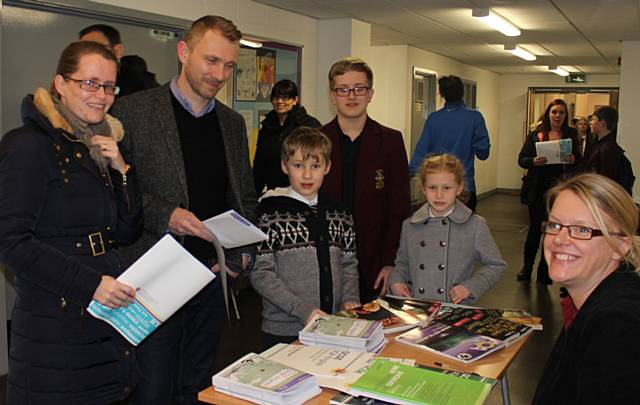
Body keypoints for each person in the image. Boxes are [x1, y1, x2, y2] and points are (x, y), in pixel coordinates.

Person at [110, 15, 257, 405]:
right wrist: (166, 215)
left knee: (197, 386)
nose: (219, 74)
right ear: (183, 51)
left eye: (228, 65)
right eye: (211, 61)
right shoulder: (132, 113)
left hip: (210, 276)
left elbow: (244, 197)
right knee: (153, 389)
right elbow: (115, 192)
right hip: (152, 277)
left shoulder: (231, 123)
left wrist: (242, 255)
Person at [0, 41, 141, 404]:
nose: (102, 96)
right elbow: (10, 241)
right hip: (56, 327)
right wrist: (91, 285)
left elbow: (126, 232)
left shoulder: (97, 147)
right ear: (60, 84)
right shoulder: (29, 145)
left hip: (102, 323)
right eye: (90, 83)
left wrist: (122, 172)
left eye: (109, 86)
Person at [532, 173, 640, 404]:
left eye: (582, 230)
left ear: (620, 246)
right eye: (555, 225)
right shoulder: (590, 303)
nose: (559, 239)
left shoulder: (618, 324)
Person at [250, 127, 360, 348]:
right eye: (298, 166)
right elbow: (261, 274)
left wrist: (351, 300)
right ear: (284, 166)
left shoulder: (340, 212)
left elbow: (348, 263)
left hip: (333, 326)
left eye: (316, 166)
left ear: (327, 167)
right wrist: (304, 312)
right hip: (283, 331)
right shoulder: (268, 213)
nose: (307, 175)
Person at [320, 57, 410, 303]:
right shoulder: (317, 141)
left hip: (375, 262)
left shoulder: (391, 141)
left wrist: (392, 263)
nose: (351, 96)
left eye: (359, 88)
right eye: (343, 89)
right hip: (326, 261)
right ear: (333, 95)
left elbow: (399, 209)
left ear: (370, 94)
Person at [388, 154, 505, 303]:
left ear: (459, 188)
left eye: (447, 188)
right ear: (423, 188)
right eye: (432, 188)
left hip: (454, 309)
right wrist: (396, 281)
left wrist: (470, 287)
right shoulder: (410, 225)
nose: (439, 195)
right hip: (417, 307)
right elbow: (402, 264)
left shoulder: (475, 225)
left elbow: (496, 265)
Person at [517, 99, 580, 285]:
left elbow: (580, 161)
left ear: (565, 115)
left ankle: (544, 271)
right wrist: (533, 162)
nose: (557, 116)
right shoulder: (537, 134)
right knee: (535, 231)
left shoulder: (571, 135)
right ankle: (526, 268)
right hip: (537, 189)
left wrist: (573, 159)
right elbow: (521, 159)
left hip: (559, 191)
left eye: (561, 112)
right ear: (548, 114)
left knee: (553, 232)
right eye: (554, 112)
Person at [408, 75, 490, 212]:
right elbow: (483, 153)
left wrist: (410, 173)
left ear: (442, 94)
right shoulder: (474, 117)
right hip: (464, 187)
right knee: (465, 229)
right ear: (462, 92)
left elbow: (421, 151)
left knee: (436, 229)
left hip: (436, 187)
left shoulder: (433, 119)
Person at [253, 79, 321, 196]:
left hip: (302, 192)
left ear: (295, 100)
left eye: (285, 98)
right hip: (273, 192)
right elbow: (259, 166)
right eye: (276, 98)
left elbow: (319, 162)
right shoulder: (267, 127)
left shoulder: (309, 125)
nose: (280, 101)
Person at [583, 106, 632, 191]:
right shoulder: (598, 143)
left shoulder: (609, 148)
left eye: (594, 119)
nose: (590, 123)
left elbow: (607, 180)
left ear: (603, 123)